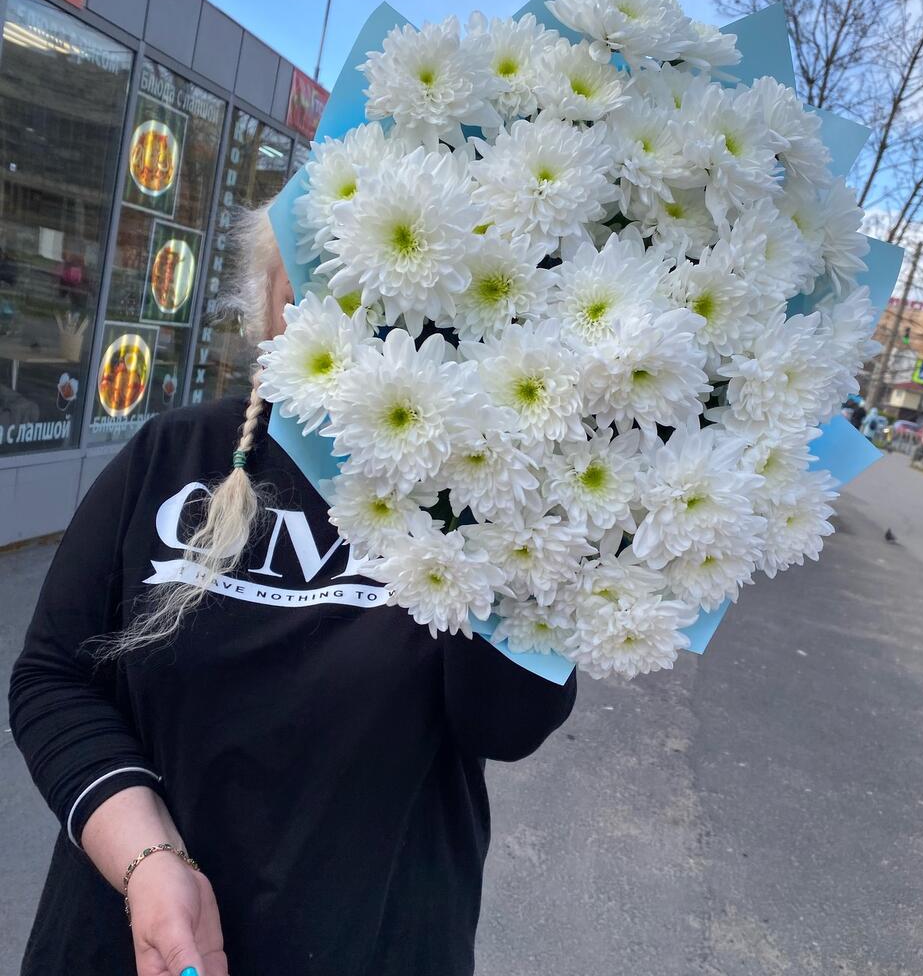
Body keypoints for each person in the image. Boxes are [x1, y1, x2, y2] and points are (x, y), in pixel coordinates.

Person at [8, 206, 577, 976]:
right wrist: (146, 860)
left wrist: (510, 499)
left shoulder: (477, 494)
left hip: (376, 944)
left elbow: (507, 724)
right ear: (270, 299)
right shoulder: (173, 455)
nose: (346, 311)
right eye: (315, 275)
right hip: (131, 940)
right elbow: (55, 677)